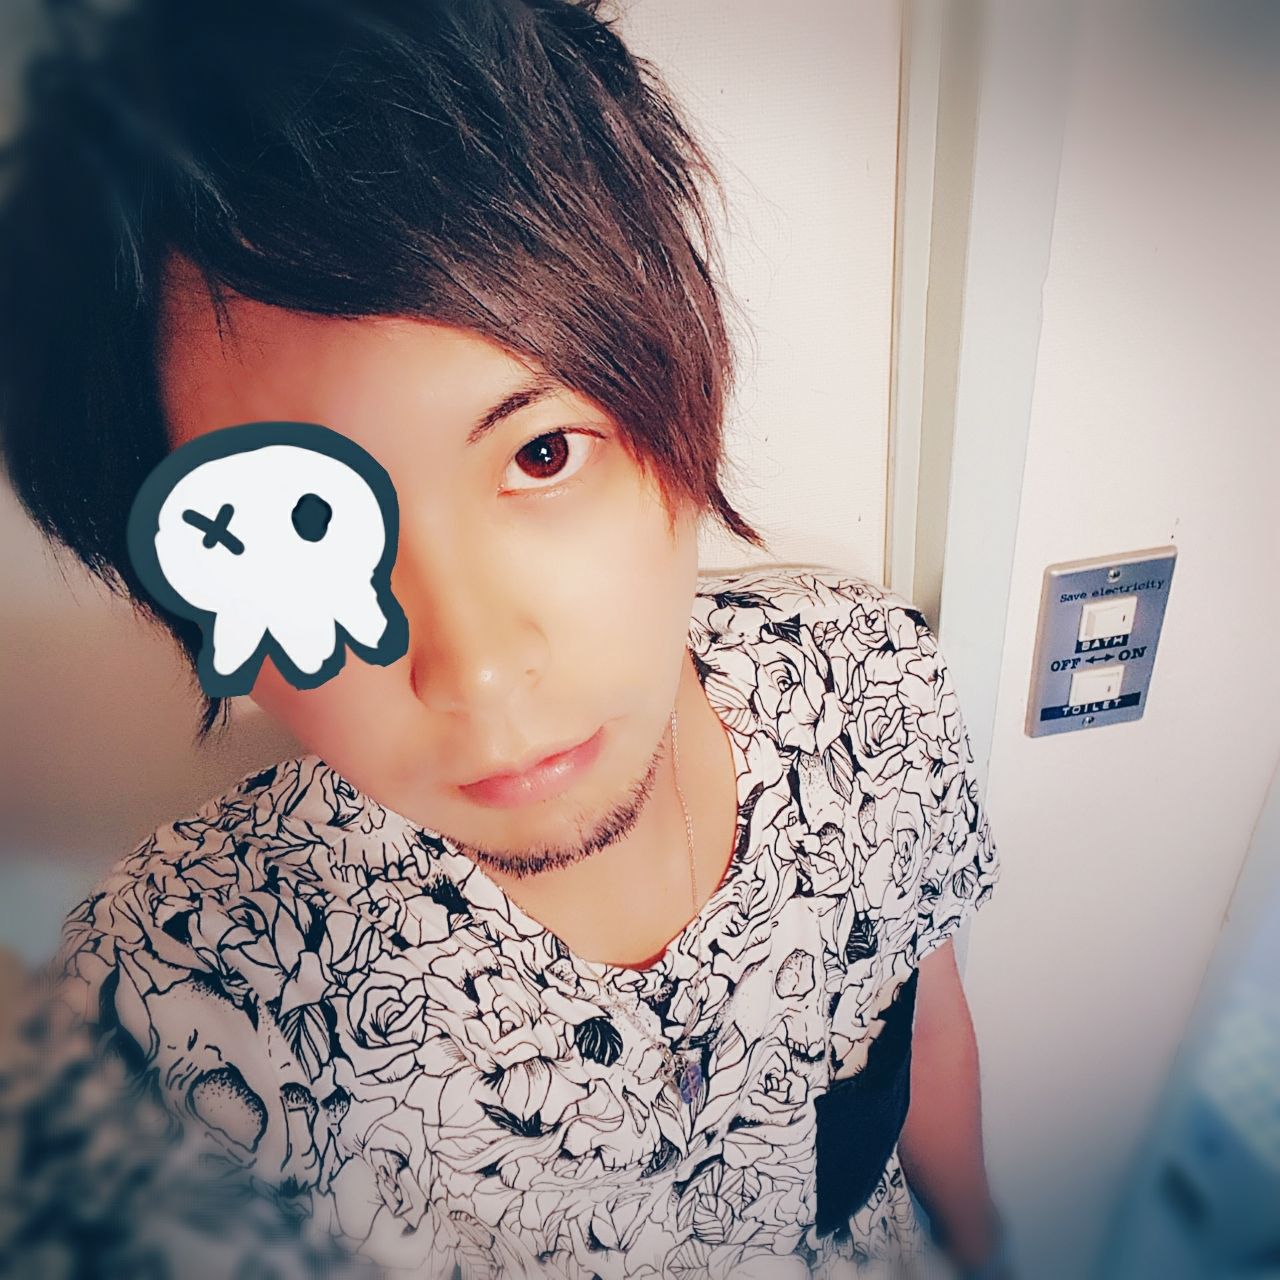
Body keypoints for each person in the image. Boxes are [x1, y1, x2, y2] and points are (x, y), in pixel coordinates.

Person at [0, 1, 1006, 1276]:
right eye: (288, 546)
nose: (472, 669)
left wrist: (986, 1243)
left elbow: (924, 1023)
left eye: (539, 453)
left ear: (682, 388)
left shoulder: (870, 690)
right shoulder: (173, 1023)